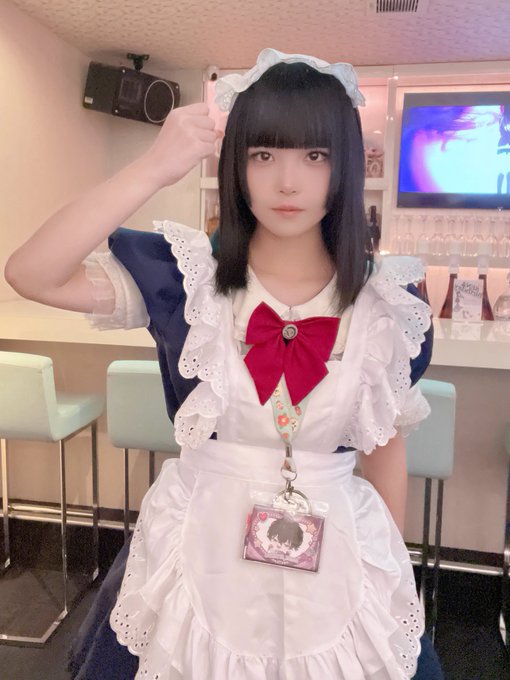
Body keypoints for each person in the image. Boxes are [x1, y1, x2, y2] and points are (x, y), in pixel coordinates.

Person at [5, 48, 443, 680]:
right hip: (198, 548)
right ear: (236, 164)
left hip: (337, 554)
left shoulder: (386, 305)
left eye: (314, 156)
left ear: (345, 166)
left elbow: (384, 449)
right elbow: (32, 272)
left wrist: (391, 572)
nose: (287, 182)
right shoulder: (187, 281)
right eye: (263, 155)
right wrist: (152, 169)